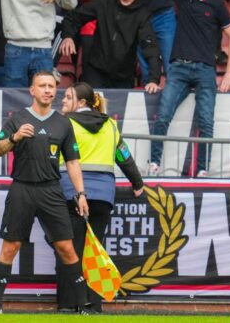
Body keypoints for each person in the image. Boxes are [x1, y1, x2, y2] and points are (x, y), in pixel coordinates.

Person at [0, 70, 94, 314]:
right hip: (22, 189)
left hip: (51, 191)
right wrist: (14, 137)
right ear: (32, 91)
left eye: (52, 86)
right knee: (10, 248)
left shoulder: (64, 122)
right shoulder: (17, 119)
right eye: (42, 86)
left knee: (66, 247)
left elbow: (73, 162)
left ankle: (83, 306)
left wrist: (81, 193)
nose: (48, 90)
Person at [146, 0, 230, 177]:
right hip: (178, 69)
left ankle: (203, 170)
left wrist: (229, 73)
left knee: (206, 123)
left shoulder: (217, 6)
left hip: (206, 69)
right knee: (163, 117)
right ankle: (154, 164)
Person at [57, 83, 144, 313]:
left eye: (68, 97)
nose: (63, 101)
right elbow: (124, 156)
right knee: (94, 251)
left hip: (71, 193)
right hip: (103, 196)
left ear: (82, 102)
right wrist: (137, 183)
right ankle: (93, 307)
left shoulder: (65, 123)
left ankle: (68, 305)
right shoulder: (111, 125)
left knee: (70, 249)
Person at [60, 0, 163, 90]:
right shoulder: (105, 2)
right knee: (94, 107)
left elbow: (150, 47)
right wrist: (68, 36)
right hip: (96, 68)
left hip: (123, 74)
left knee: (119, 109)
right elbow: (74, 17)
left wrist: (153, 80)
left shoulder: (142, 14)